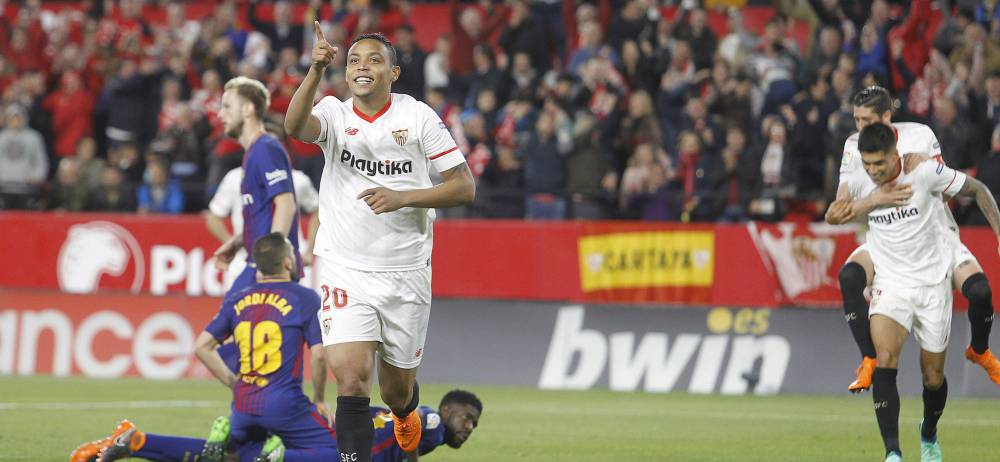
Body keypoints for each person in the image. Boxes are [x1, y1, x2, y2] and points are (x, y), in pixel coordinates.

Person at [284, 24, 476, 462]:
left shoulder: (418, 117)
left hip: (404, 271)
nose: (361, 67)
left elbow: (464, 188)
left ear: (393, 72)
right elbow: (294, 125)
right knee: (351, 380)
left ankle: (408, 413)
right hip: (344, 267)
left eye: (373, 60)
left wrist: (403, 197)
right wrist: (315, 70)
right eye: (353, 60)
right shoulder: (334, 113)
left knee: (396, 392)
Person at [92, 233, 336, 462]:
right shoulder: (305, 298)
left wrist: (236, 383)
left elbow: (202, 347)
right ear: (286, 263)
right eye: (293, 254)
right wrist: (319, 399)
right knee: (345, 451)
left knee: (232, 456)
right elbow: (319, 355)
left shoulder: (239, 298)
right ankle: (279, 458)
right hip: (284, 404)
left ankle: (137, 441)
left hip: (243, 405)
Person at [826, 86, 1000, 392]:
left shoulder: (919, 134)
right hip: (886, 236)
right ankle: (868, 358)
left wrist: (927, 166)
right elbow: (842, 207)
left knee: (981, 293)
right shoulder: (853, 146)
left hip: (934, 233)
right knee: (850, 276)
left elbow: (947, 188)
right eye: (856, 119)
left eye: (866, 119)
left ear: (886, 116)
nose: (859, 127)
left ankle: (980, 350)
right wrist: (873, 199)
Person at [844, 122, 1000, 462]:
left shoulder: (925, 173)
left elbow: (977, 189)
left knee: (933, 378)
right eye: (867, 165)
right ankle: (893, 454)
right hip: (892, 282)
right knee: (885, 359)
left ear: (892, 154)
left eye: (879, 164)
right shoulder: (861, 181)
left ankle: (928, 432)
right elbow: (834, 214)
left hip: (932, 285)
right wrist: (869, 199)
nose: (873, 171)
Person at [70, 389, 483, 462]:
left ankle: (137, 440)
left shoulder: (424, 426)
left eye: (474, 426)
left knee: (227, 458)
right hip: (334, 456)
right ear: (447, 411)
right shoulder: (429, 419)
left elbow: (371, 414)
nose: (468, 428)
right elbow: (405, 437)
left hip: (331, 445)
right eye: (467, 418)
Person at [212, 77, 303, 295]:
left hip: (269, 270)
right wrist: (236, 243)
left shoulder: (266, 148)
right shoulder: (253, 153)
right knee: (225, 325)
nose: (220, 114)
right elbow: (262, 215)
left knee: (223, 326)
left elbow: (285, 204)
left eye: (226, 106)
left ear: (247, 109)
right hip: (258, 265)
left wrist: (272, 263)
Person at [205, 165, 320, 291]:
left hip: (286, 262)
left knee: (286, 309)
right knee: (243, 309)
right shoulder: (235, 178)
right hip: (244, 262)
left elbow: (318, 211)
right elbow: (213, 219)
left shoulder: (297, 179)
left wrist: (309, 250)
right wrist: (233, 246)